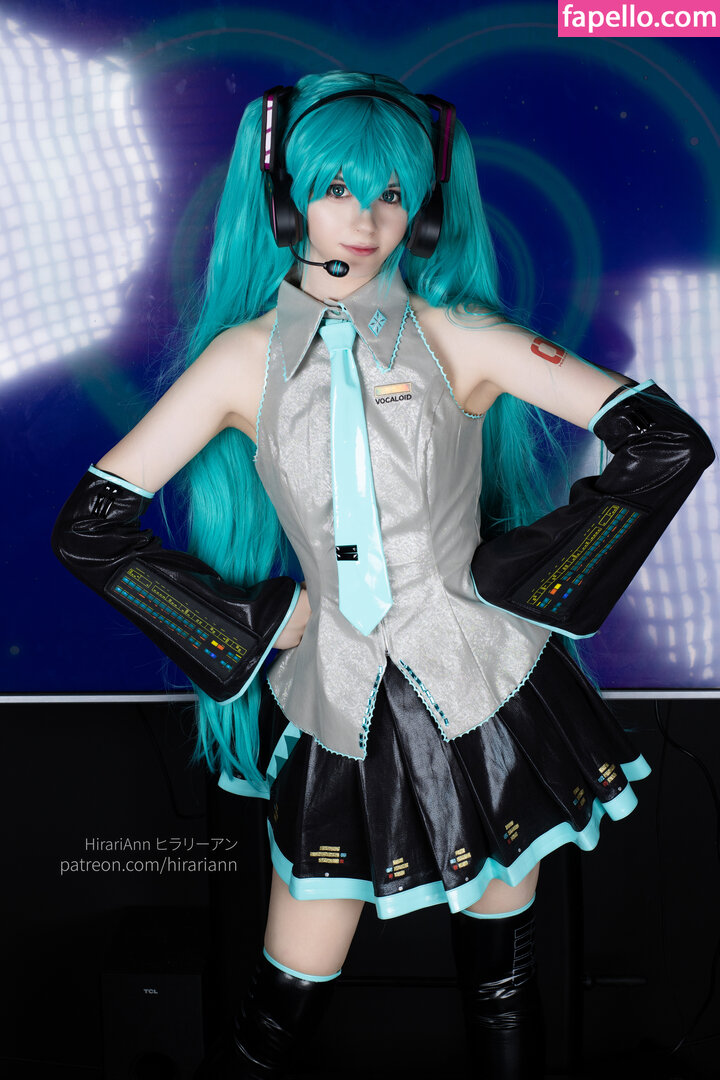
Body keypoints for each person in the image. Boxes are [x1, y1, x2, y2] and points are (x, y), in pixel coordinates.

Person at [51, 71, 714, 1079]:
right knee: (283, 1000)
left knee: (503, 989)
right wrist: (257, 621)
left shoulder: (463, 335)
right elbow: (92, 531)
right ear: (286, 202)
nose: (365, 221)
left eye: (393, 195)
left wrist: (532, 580)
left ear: (425, 211)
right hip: (337, 705)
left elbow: (665, 442)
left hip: (491, 694)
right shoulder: (240, 362)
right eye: (336, 190)